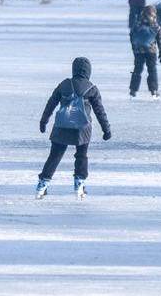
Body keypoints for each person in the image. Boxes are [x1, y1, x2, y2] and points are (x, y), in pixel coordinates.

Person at [37, 57, 112, 199]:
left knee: (55, 156)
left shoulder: (64, 84)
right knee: (81, 155)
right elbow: (99, 111)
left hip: (61, 127)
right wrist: (106, 129)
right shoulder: (91, 88)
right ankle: (79, 184)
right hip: (82, 129)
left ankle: (42, 185)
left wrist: (43, 121)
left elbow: (51, 104)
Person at [129, 5, 161, 97]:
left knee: (137, 70)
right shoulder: (155, 25)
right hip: (151, 51)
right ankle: (154, 90)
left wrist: (134, 48)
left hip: (138, 51)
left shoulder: (137, 24)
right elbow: (159, 39)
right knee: (152, 70)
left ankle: (133, 90)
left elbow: (132, 36)